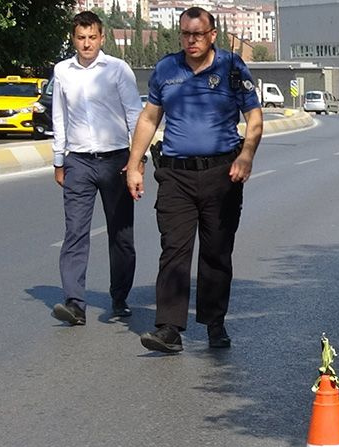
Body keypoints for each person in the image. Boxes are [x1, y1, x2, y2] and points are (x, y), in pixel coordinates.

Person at [125, 5, 262, 353]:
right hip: (176, 175)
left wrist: (246, 156)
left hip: (222, 173)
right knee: (174, 249)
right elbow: (149, 118)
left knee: (216, 251)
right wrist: (134, 164)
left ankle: (215, 324)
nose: (191, 41)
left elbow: (254, 117)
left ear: (212, 35)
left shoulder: (232, 67)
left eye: (197, 34)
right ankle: (169, 328)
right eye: (185, 34)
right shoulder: (166, 69)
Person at [50, 10, 140, 326]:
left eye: (92, 37)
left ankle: (120, 297)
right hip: (78, 162)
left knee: (121, 234)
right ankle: (74, 303)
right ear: (73, 39)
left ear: (102, 38)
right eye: (80, 37)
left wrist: (136, 162)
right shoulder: (62, 71)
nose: (86, 44)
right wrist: (59, 160)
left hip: (117, 160)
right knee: (75, 232)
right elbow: (59, 118)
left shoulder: (118, 69)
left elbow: (134, 115)